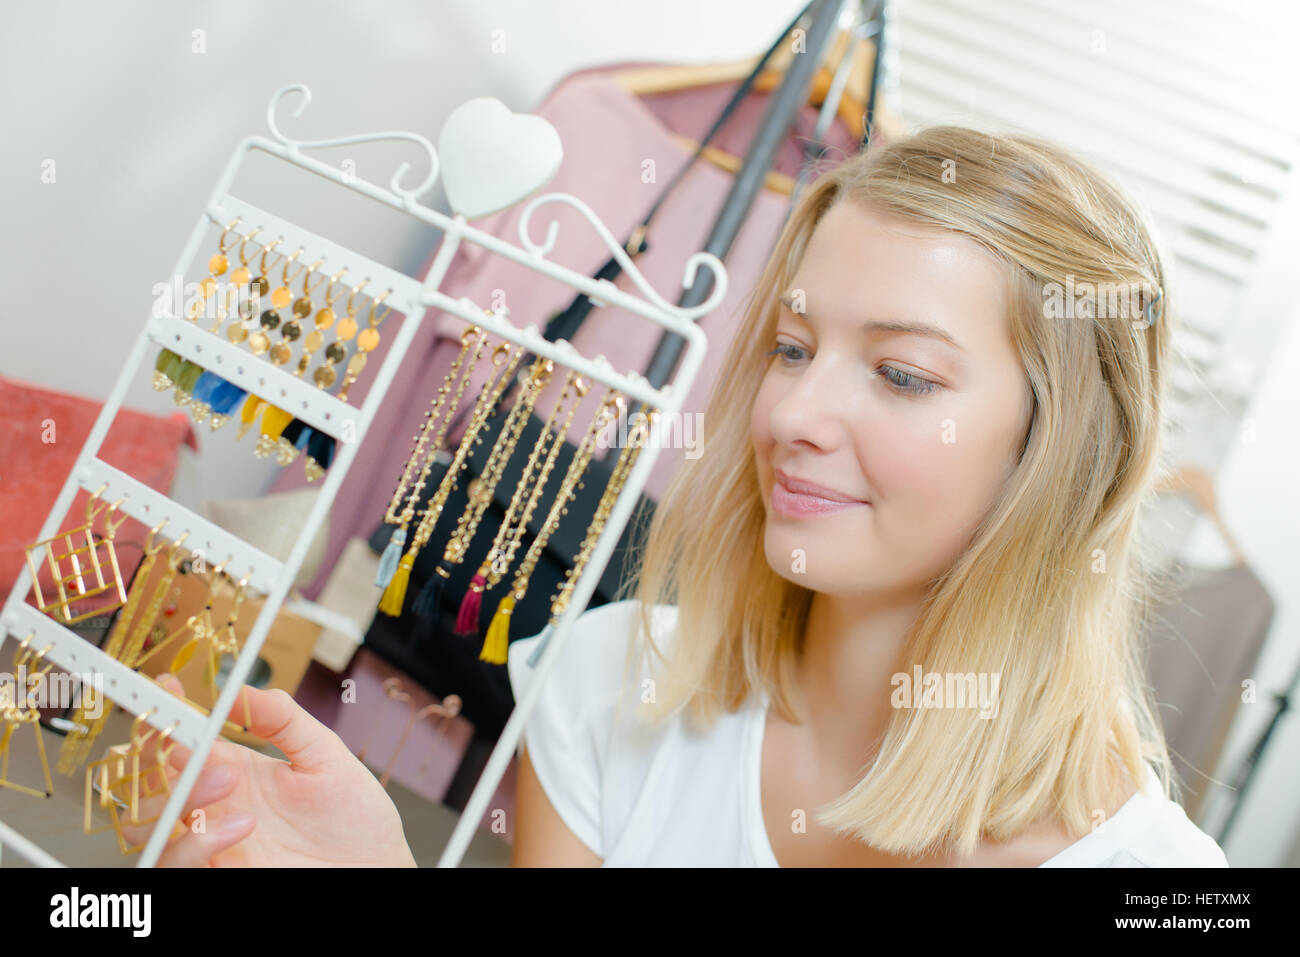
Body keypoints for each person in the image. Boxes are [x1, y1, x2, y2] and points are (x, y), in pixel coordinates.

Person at [127, 125, 1228, 867]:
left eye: (901, 375)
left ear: (1062, 454)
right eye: (791, 348)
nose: (793, 413)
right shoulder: (613, 683)